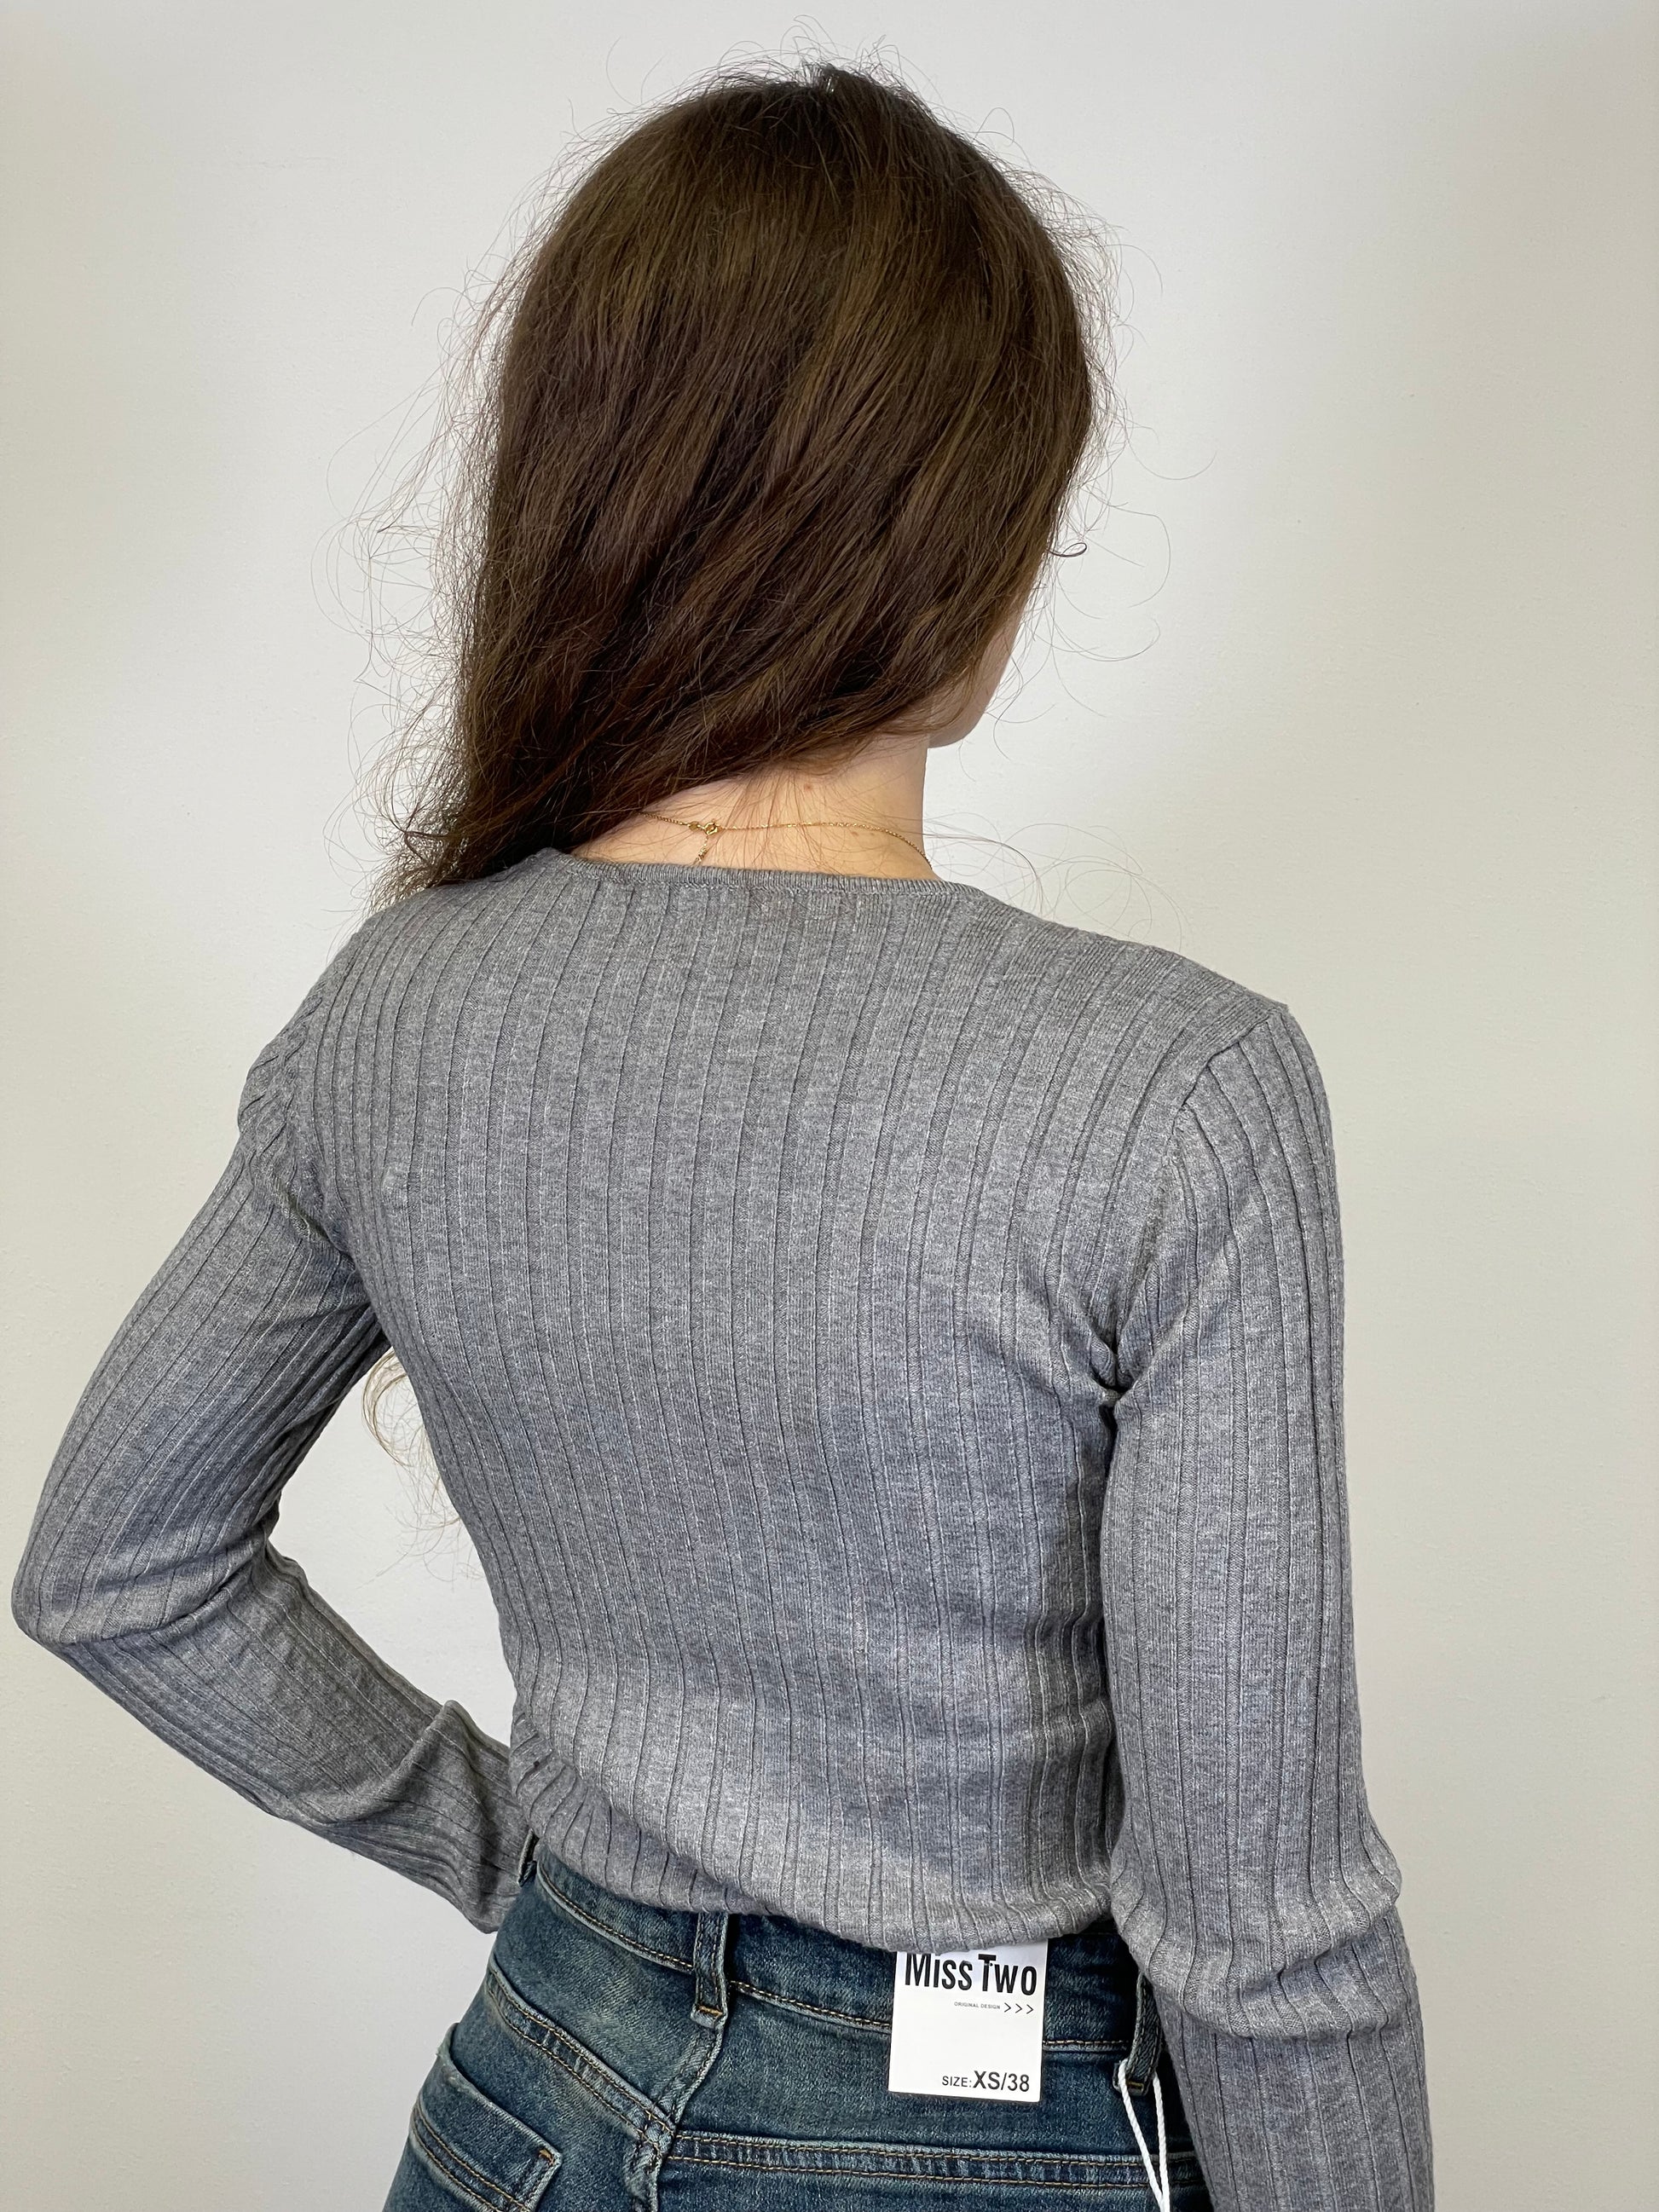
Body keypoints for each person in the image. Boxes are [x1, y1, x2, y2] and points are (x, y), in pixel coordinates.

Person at [10, 59, 1432, 2212]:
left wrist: (525, 1861)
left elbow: (115, 1563)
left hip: (530, 2097)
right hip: (975, 2135)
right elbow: (1263, 1928)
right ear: (972, 533)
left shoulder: (397, 1010)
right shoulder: (1172, 1087)